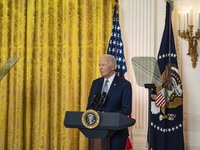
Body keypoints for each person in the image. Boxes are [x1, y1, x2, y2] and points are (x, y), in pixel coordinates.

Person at [87, 54, 132, 150]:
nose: (100, 68)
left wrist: (107, 117)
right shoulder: (96, 83)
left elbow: (126, 109)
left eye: (103, 65)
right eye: (99, 65)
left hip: (117, 133)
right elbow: (90, 106)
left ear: (113, 67)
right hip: (96, 131)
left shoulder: (124, 85)